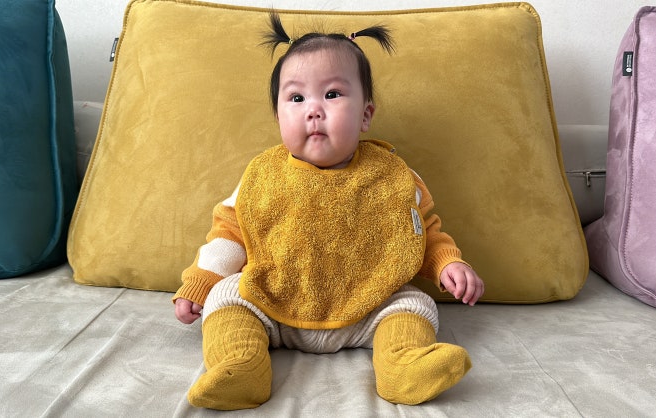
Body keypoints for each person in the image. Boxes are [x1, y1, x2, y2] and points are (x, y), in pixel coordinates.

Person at [173, 12, 485, 410]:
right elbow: (229, 234)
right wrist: (201, 281)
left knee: (413, 304)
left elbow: (423, 232)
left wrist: (447, 263)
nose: (314, 110)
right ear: (279, 116)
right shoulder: (262, 177)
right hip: (275, 305)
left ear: (366, 115)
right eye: (297, 98)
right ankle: (241, 365)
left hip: (369, 306)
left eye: (333, 94)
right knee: (227, 296)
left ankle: (403, 366)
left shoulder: (393, 177)